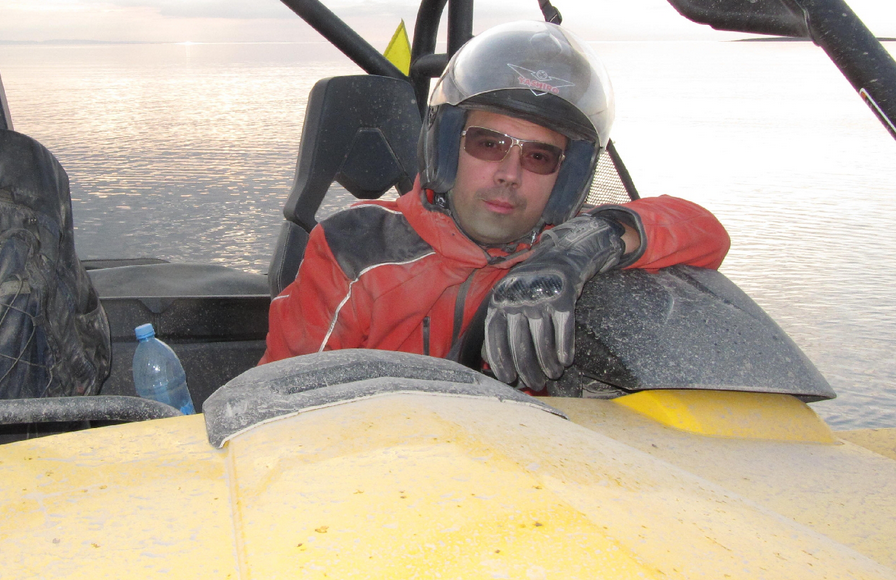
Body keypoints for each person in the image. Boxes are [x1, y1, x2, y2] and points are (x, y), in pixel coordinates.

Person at [262, 20, 730, 392]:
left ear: (566, 178)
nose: (510, 172)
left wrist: (586, 247)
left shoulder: (563, 251)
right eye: (488, 143)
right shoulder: (357, 247)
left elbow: (705, 232)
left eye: (539, 157)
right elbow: (282, 399)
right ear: (447, 147)